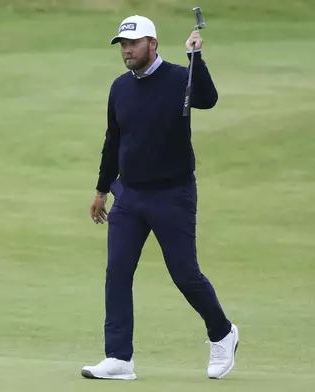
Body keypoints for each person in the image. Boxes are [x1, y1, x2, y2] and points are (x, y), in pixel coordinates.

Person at [81, 15, 239, 381]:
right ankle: (119, 358)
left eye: (133, 43)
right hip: (130, 195)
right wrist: (101, 190)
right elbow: (113, 141)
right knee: (118, 273)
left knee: (185, 274)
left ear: (153, 43)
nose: (127, 50)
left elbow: (208, 99)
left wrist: (194, 60)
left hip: (172, 194)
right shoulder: (119, 87)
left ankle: (223, 332)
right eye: (122, 44)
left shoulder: (177, 79)